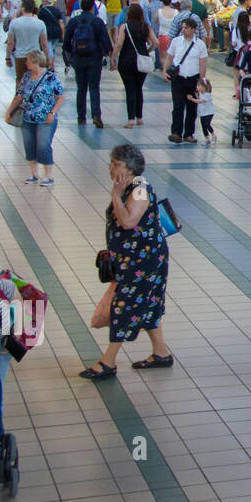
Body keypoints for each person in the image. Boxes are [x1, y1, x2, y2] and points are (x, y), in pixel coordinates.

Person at [81, 145, 174, 379]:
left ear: (131, 168)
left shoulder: (140, 189)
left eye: (117, 164)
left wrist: (115, 195)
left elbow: (129, 222)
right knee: (149, 305)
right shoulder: (128, 187)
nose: (111, 168)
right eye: (111, 162)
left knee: (125, 306)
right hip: (133, 259)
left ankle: (108, 362)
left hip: (145, 262)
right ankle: (161, 353)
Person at [5, 50, 64, 187]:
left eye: (28, 61)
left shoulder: (51, 77)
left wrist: (52, 112)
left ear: (36, 61)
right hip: (28, 118)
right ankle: (34, 174)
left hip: (45, 119)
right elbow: (19, 96)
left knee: (43, 145)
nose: (26, 63)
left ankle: (48, 175)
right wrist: (9, 111)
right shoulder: (26, 76)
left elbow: (60, 97)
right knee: (29, 145)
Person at [63, 0, 111, 127]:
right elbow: (105, 40)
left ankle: (81, 117)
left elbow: (66, 41)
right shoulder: (97, 22)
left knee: (81, 88)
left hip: (78, 58)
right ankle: (96, 115)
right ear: (92, 8)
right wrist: (109, 55)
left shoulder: (74, 21)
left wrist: (70, 54)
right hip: (94, 58)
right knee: (94, 87)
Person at [162, 16, 209, 144]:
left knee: (192, 107)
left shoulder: (200, 45)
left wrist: (201, 82)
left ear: (193, 29)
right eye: (182, 27)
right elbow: (169, 58)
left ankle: (189, 133)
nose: (183, 30)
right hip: (178, 78)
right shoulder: (176, 41)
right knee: (178, 106)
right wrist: (165, 71)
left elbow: (202, 64)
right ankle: (176, 132)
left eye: (186, 28)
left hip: (193, 79)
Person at [111, 3, 158, 129]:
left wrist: (113, 57)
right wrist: (147, 51)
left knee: (130, 89)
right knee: (139, 88)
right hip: (142, 60)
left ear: (129, 14)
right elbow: (156, 42)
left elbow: (119, 44)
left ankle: (130, 119)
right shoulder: (145, 27)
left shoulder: (124, 27)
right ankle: (139, 117)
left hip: (127, 60)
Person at [6, 0, 49, 84]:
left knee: (20, 80)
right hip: (35, 56)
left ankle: (20, 97)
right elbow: (44, 43)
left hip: (20, 56)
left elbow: (10, 42)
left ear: (22, 8)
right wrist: (47, 58)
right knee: (35, 80)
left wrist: (8, 57)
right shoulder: (40, 23)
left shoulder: (14, 23)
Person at [37, 0, 64, 68]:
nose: (42, 2)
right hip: (56, 31)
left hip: (46, 32)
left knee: (49, 49)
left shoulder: (42, 10)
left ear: (45, 1)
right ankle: (51, 63)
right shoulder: (56, 10)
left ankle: (50, 65)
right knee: (53, 48)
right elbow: (61, 22)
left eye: (42, 0)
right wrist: (62, 33)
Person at [191, 76, 216, 144]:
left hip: (209, 112)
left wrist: (192, 99)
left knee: (207, 124)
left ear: (204, 87)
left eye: (199, 85)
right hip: (203, 113)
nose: (197, 87)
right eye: (197, 85)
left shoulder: (207, 94)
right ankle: (207, 138)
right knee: (203, 126)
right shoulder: (201, 94)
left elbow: (201, 101)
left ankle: (213, 135)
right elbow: (200, 99)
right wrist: (197, 96)